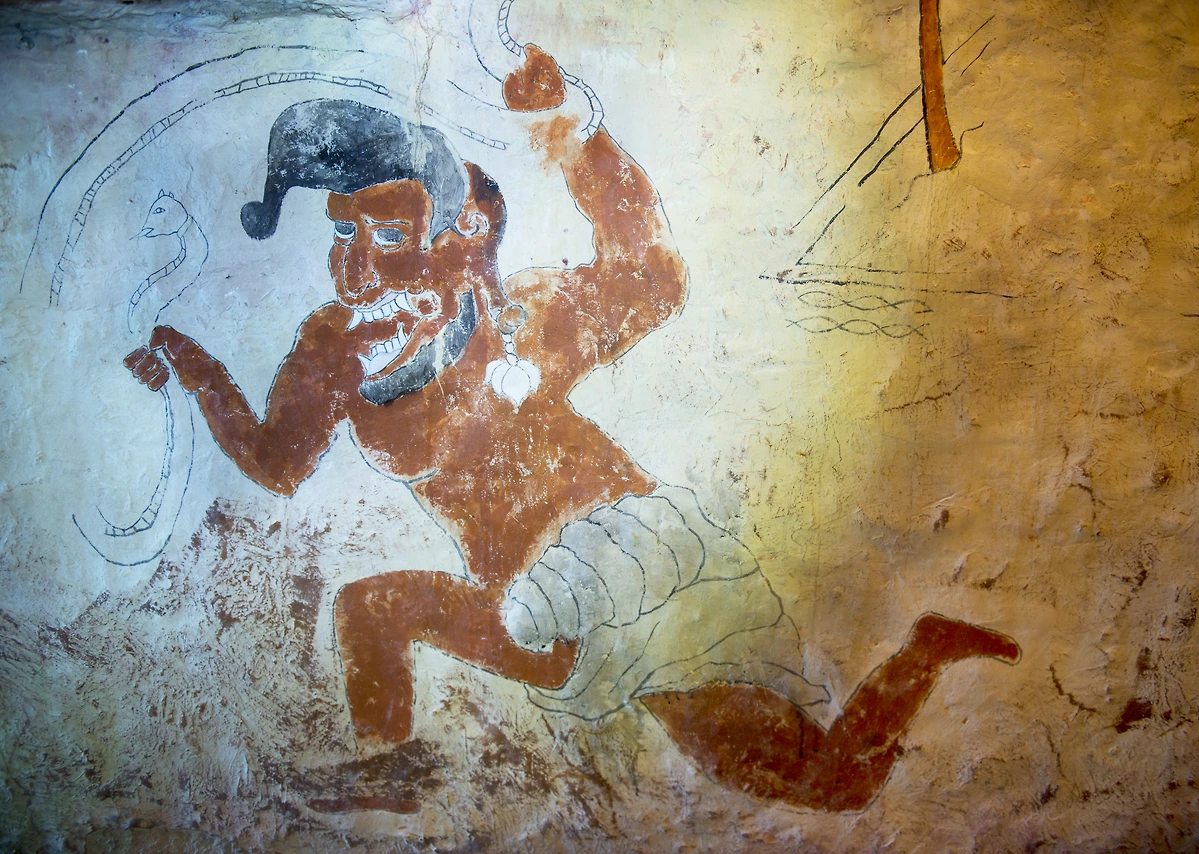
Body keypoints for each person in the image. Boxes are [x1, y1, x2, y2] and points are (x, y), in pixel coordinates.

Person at [126, 45, 1019, 814]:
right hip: (535, 605)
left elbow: (652, 276)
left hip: (632, 557)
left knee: (825, 781)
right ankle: (389, 778)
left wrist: (572, 128)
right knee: (372, 610)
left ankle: (927, 647)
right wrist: (192, 365)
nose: (355, 268)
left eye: (388, 235)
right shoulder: (333, 349)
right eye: (341, 236)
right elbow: (279, 462)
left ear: (455, 233)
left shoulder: (514, 318)